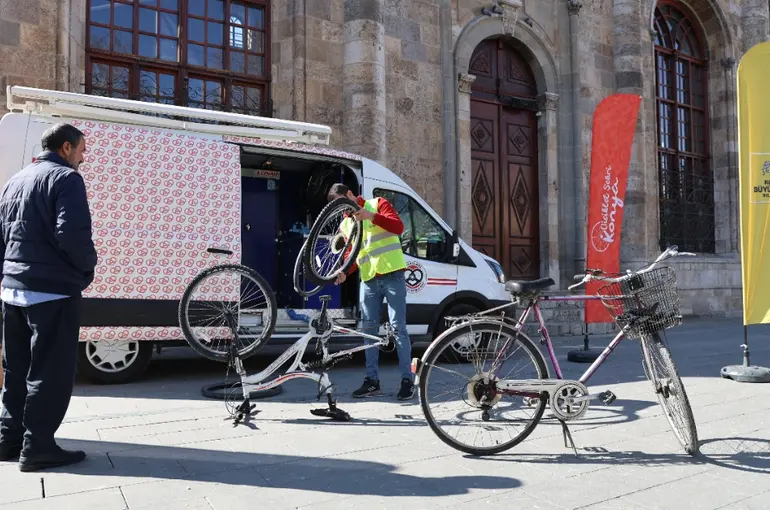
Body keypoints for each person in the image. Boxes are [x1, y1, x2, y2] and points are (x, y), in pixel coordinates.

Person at [0, 123, 98, 472]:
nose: (84, 157)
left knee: (16, 370)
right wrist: (86, 271)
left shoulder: (16, 180)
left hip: (12, 292)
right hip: (51, 291)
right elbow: (72, 233)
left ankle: (7, 440)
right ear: (66, 147)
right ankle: (38, 446)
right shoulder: (66, 179)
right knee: (50, 371)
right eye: (83, 150)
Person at [327, 183, 414, 400]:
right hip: (369, 280)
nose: (344, 212)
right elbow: (353, 255)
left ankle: (407, 381)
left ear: (350, 195)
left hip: (392, 274)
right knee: (369, 332)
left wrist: (371, 216)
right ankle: (372, 380)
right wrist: (345, 272)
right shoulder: (346, 224)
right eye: (339, 210)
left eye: (343, 205)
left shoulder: (378, 204)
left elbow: (398, 227)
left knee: (398, 329)